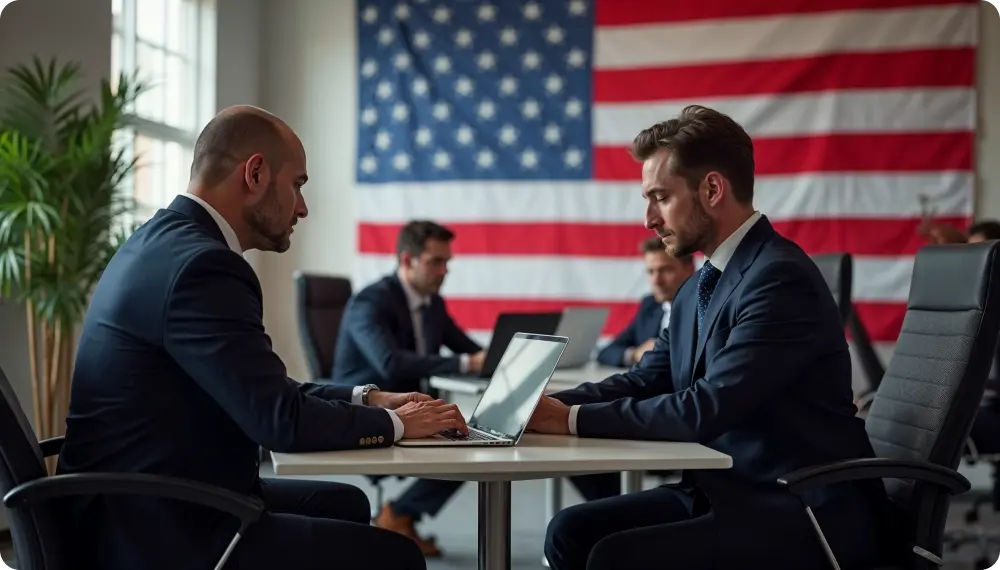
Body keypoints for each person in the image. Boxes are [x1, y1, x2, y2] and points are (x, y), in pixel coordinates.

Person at [56, 105, 468, 570]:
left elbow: (265, 393)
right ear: (255, 173)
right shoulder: (203, 267)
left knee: (348, 506)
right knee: (396, 557)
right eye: (298, 185)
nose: (303, 207)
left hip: (142, 495)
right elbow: (280, 422)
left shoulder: (164, 242)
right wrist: (400, 425)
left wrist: (370, 401)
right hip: (153, 525)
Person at [527, 105, 888, 570]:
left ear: (712, 189)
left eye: (659, 197)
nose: (648, 219)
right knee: (570, 532)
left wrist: (571, 419)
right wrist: (542, 408)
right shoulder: (698, 286)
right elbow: (647, 379)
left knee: (614, 556)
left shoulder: (778, 278)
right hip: (724, 492)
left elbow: (706, 408)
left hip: (794, 509)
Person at [334, 221, 620, 556]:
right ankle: (399, 513)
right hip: (370, 405)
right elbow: (390, 364)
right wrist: (467, 364)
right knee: (469, 439)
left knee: (493, 431)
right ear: (408, 259)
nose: (444, 271)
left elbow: (467, 349)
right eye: (436, 262)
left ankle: (615, 510)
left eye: (447, 263)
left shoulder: (433, 304)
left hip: (414, 403)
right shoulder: (370, 302)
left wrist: (502, 363)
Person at [596, 237, 695, 367]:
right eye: (651, 271)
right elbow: (606, 353)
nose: (656, 281)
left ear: (689, 269)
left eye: (665, 270)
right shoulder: (650, 306)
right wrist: (635, 354)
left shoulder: (705, 309)